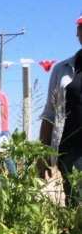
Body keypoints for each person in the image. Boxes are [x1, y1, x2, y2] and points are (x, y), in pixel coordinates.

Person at [39, 11, 82, 205]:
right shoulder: (62, 69)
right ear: (77, 33)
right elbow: (50, 112)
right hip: (71, 150)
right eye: (81, 28)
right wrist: (42, 153)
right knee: (75, 206)